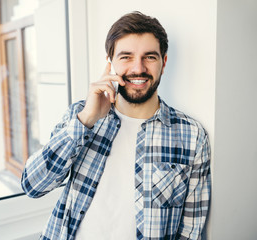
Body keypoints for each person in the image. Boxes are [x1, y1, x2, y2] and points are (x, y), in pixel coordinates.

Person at [21, 11, 211, 240]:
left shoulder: (192, 136)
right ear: (110, 63)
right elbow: (33, 185)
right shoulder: (79, 116)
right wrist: (86, 120)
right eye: (126, 57)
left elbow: (190, 231)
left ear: (164, 63)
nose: (138, 68)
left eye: (149, 57)